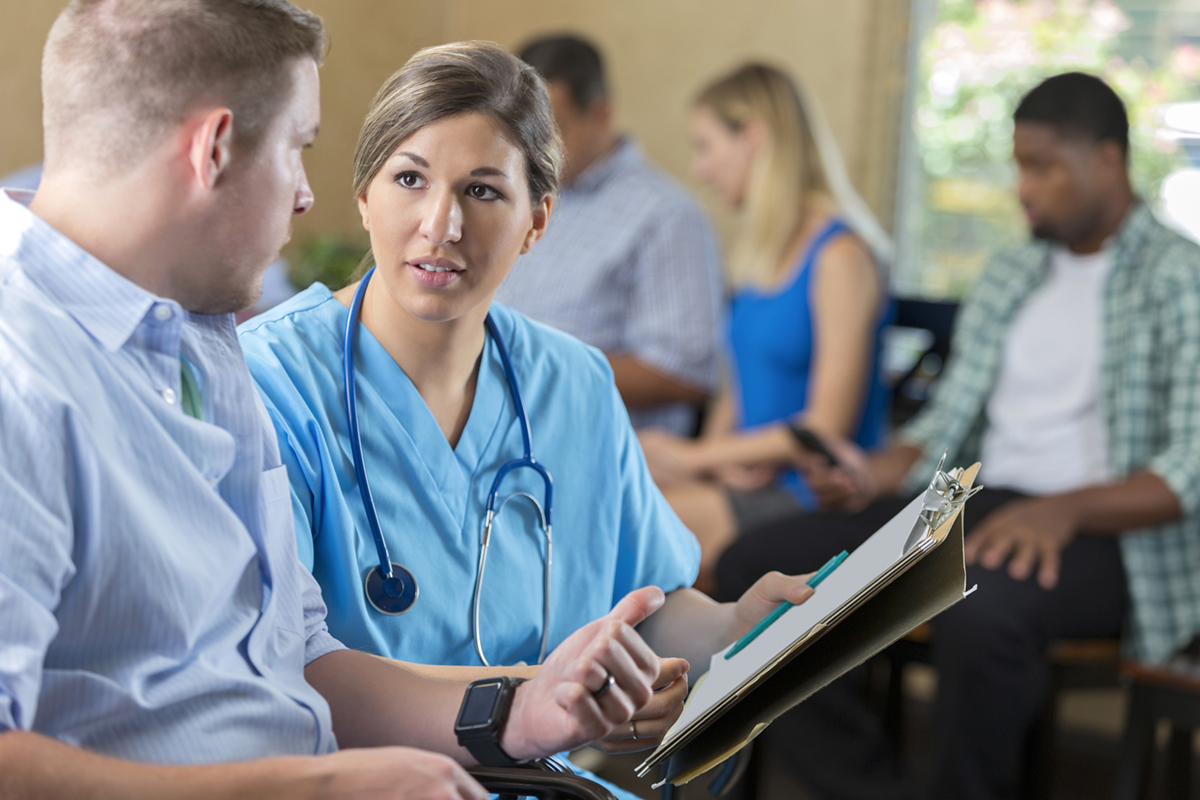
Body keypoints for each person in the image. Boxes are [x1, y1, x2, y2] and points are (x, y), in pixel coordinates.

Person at [0, 3, 677, 798]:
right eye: (298, 149)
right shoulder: (24, 376)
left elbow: (298, 653)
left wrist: (524, 708)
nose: (304, 195)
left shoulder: (200, 341)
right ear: (215, 150)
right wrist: (315, 786)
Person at [238, 40, 815, 794]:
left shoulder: (573, 384)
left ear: (537, 220)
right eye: (410, 179)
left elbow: (647, 607)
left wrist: (737, 628)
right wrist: (530, 701)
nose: (440, 224)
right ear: (364, 196)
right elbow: (273, 675)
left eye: (483, 191)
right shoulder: (269, 383)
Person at [717, 72, 1200, 800]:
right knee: (762, 566)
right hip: (978, 502)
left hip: (1114, 534)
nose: (1022, 188)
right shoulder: (1013, 271)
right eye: (1018, 166)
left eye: (1042, 167)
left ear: (1107, 160)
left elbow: (1192, 460)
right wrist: (868, 473)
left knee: (980, 608)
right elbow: (946, 427)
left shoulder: (1179, 278)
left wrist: (1064, 508)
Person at [637, 64, 895, 593]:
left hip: (809, 493)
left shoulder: (841, 257)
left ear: (753, 136)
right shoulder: (763, 256)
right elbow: (740, 387)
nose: (700, 168)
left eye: (706, 146)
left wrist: (693, 457)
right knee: (599, 490)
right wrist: (711, 464)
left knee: (626, 528)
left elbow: (825, 428)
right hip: (753, 479)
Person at [493, 34, 723, 437]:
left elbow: (686, 373)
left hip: (598, 456)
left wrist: (527, 366)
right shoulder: (519, 196)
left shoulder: (664, 215)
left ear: (600, 113)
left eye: (553, 128)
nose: (533, 146)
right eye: (524, 128)